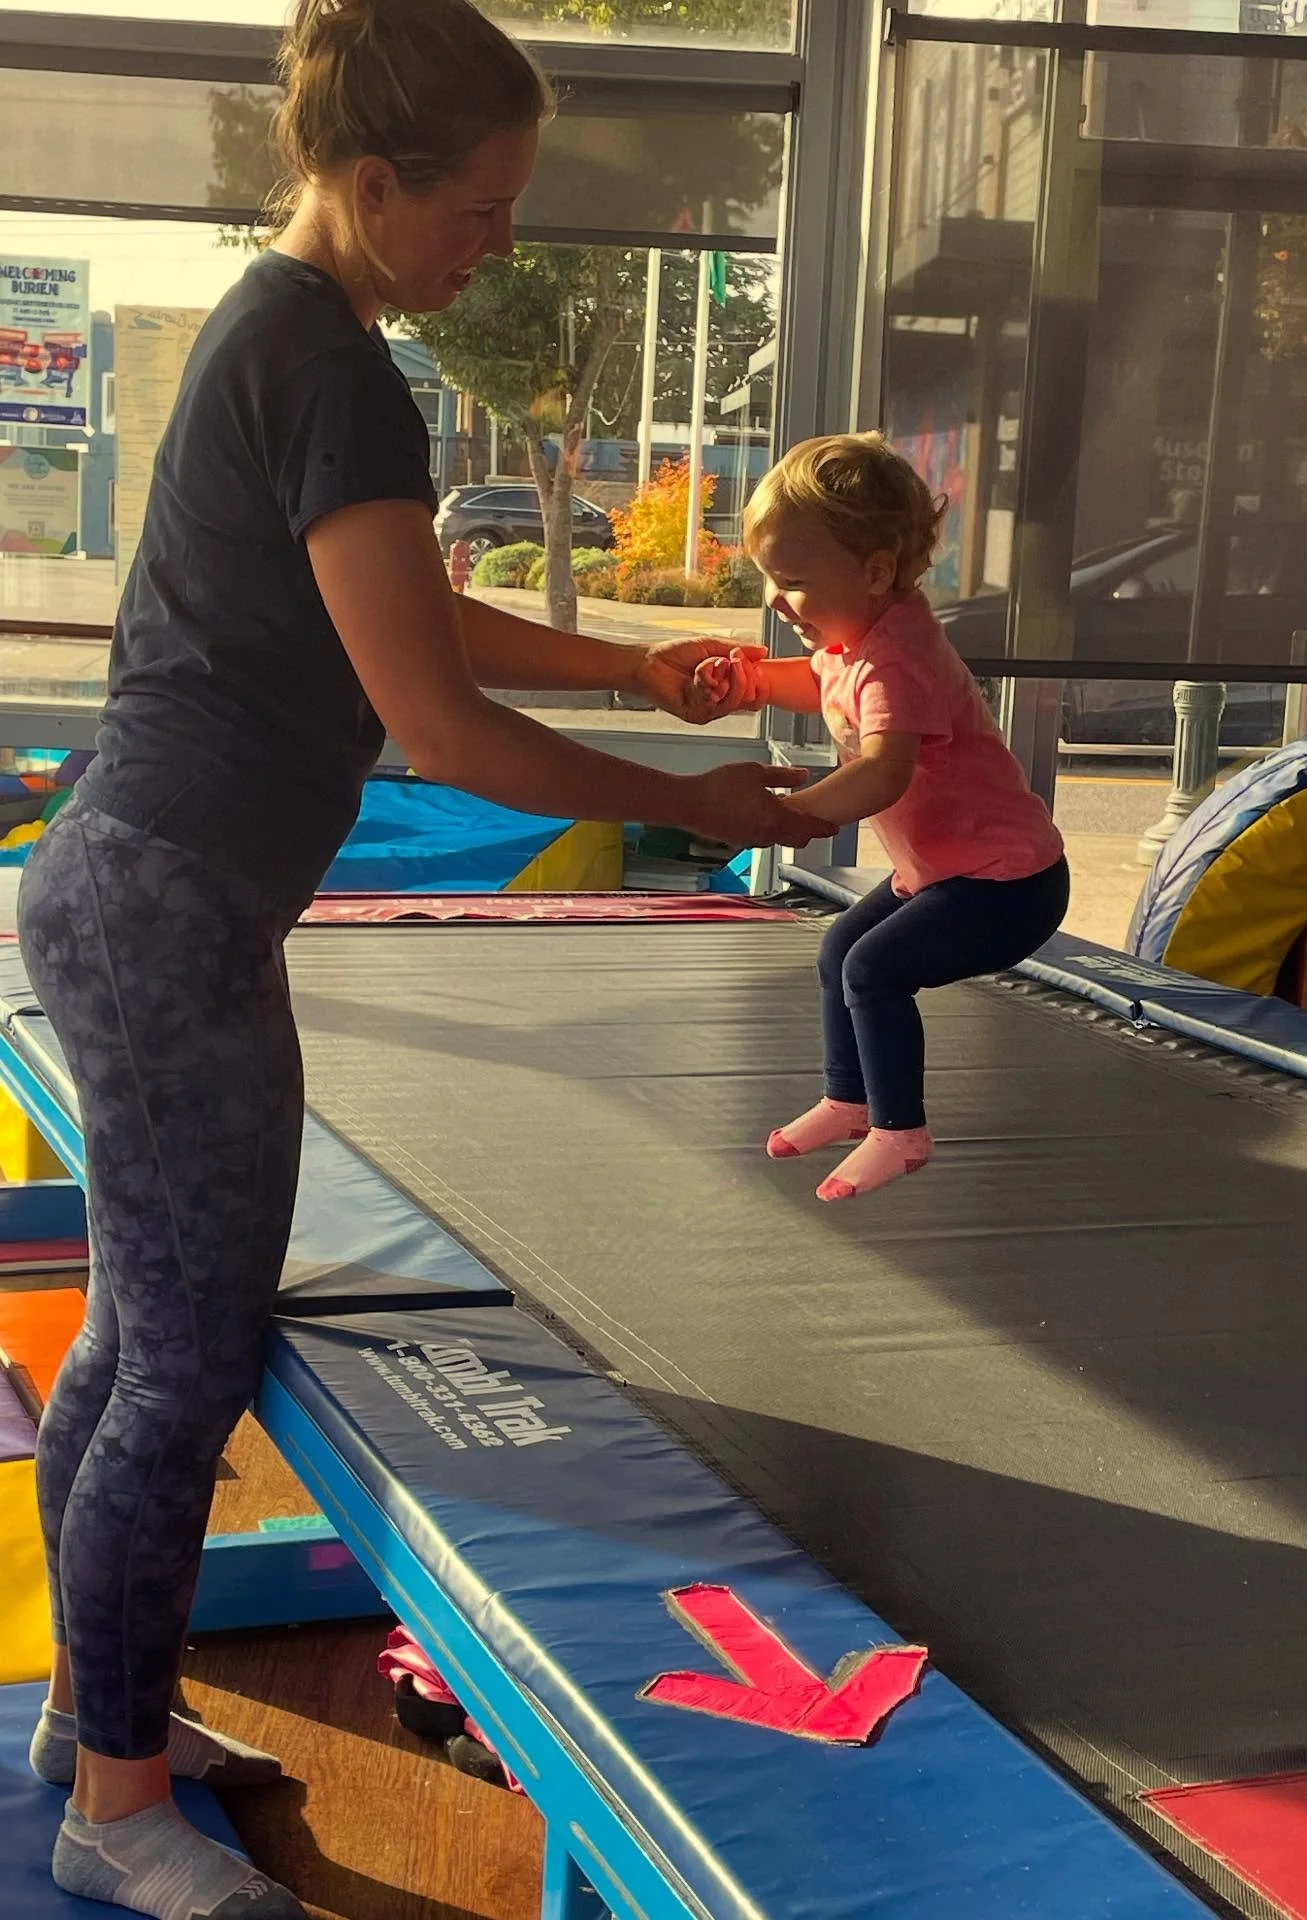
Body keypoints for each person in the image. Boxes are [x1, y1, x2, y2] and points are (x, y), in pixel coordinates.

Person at [16, 4, 817, 1915]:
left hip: (135, 891)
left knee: (137, 1341)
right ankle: (117, 1808)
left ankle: (89, 1719)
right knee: (182, 1357)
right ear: (374, 184)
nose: (500, 248)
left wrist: (632, 664)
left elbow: (403, 608)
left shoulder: (282, 336)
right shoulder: (332, 367)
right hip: (170, 911)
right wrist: (722, 797)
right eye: (483, 207)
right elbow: (438, 730)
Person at [696, 433, 1069, 1203]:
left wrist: (789, 816)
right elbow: (826, 678)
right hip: (944, 871)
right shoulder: (861, 633)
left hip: (1008, 885)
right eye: (769, 577)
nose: (774, 598)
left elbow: (883, 768)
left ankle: (899, 1131)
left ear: (874, 571)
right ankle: (850, 1097)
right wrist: (756, 686)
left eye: (791, 580)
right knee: (839, 953)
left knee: (874, 970)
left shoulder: (900, 657)